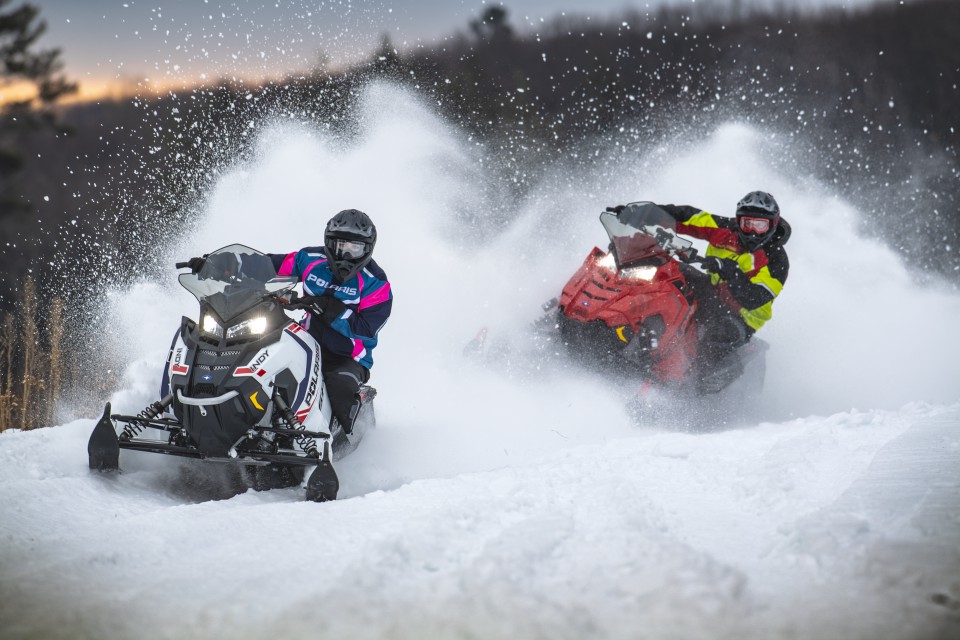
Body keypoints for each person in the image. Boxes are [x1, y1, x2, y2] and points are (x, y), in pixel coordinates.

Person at [188, 208, 393, 435]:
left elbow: (366, 329)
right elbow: (267, 265)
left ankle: (339, 435)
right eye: (340, 245)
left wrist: (327, 307)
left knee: (340, 386)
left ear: (367, 249)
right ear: (329, 242)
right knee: (258, 358)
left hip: (347, 357)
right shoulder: (310, 260)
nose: (346, 254)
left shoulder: (377, 283)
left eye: (355, 248)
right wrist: (221, 263)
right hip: (307, 341)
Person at [609, 191, 790, 392]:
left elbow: (755, 298)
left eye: (760, 226)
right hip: (712, 292)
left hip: (740, 315)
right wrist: (641, 214)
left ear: (772, 225)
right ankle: (628, 325)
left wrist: (732, 273)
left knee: (715, 338)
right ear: (739, 221)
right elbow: (687, 216)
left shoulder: (776, 261)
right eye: (747, 224)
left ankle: (689, 388)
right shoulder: (725, 229)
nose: (753, 232)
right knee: (667, 275)